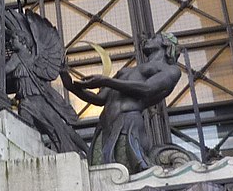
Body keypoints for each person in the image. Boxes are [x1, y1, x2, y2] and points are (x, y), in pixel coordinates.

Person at [71, 32, 182, 172]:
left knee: (127, 174)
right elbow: (99, 99)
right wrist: (70, 84)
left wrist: (106, 81)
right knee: (100, 174)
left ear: (165, 43)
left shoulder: (171, 70)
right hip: (104, 127)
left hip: (127, 125)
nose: (147, 39)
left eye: (153, 37)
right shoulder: (126, 71)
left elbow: (147, 89)